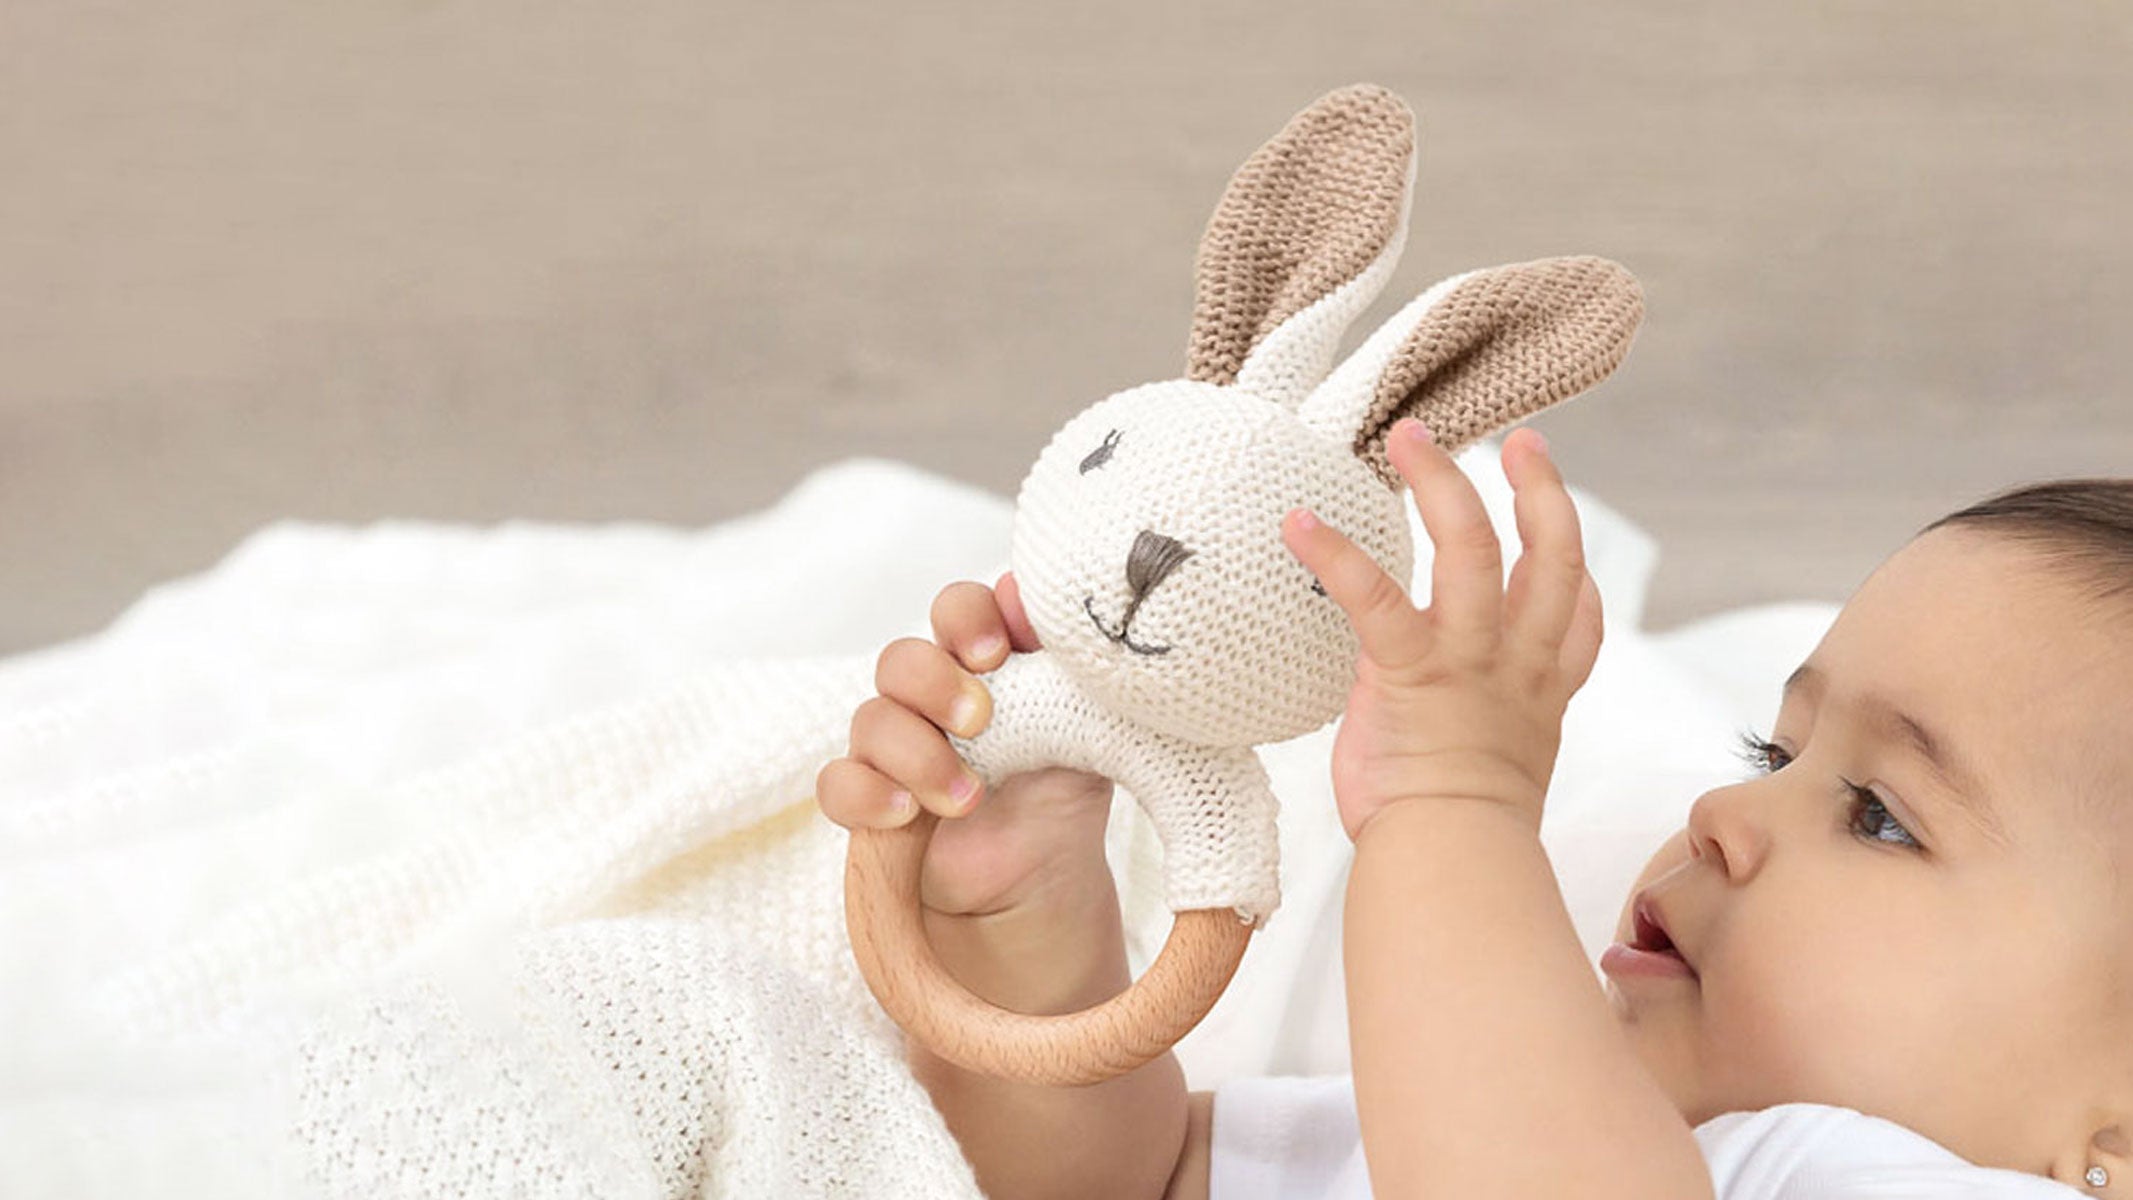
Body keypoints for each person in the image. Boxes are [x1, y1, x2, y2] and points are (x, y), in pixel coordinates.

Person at [815, 418, 2133, 1199]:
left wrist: (1452, 798)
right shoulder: (1544, 1108)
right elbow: (1135, 1186)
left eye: (1880, 817)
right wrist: (1030, 925)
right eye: (1766, 752)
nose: (1729, 819)